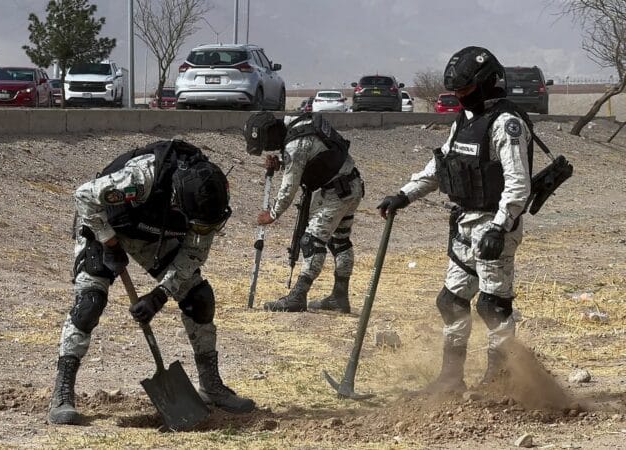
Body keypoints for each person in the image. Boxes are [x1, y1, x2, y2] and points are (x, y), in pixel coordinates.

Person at [48, 139, 256, 425]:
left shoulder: (210, 199)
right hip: (103, 223)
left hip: (152, 236)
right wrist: (109, 243)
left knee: (199, 299)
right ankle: (62, 393)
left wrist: (160, 295)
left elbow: (194, 252)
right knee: (90, 303)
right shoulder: (141, 178)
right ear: (176, 200)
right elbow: (84, 196)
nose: (201, 231)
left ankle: (211, 386)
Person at [377, 46, 533, 392]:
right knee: (451, 301)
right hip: (465, 225)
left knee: (493, 305)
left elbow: (518, 183)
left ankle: (500, 379)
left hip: (495, 225)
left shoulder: (506, 124)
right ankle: (451, 378)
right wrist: (404, 194)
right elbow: (441, 166)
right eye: (457, 93)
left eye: (465, 91)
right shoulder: (463, 122)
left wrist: (501, 225)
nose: (461, 98)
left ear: (487, 84)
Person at [244, 111, 364, 313]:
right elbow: (314, 158)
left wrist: (272, 214)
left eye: (266, 144)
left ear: (271, 134)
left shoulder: (294, 145)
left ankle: (298, 296)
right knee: (340, 241)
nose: (268, 148)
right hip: (350, 185)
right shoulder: (299, 123)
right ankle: (339, 297)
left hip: (336, 193)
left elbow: (289, 188)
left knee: (311, 242)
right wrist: (283, 164)